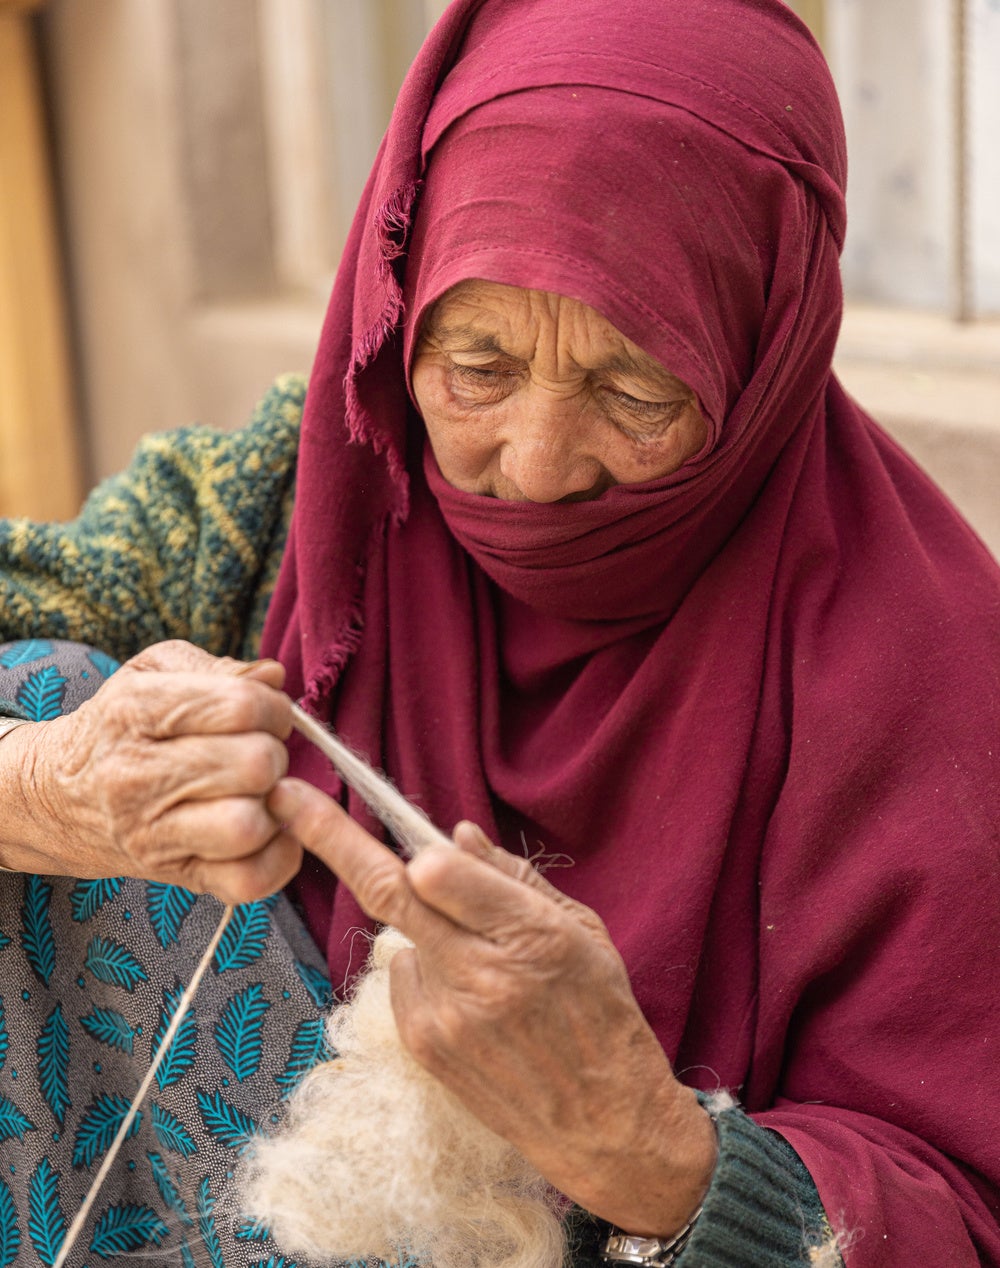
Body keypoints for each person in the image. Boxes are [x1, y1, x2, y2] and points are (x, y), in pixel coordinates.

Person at [0, 0, 998, 1264]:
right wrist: (44, 785)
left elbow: (966, 1206)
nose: (529, 465)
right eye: (476, 365)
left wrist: (643, 1147)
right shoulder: (311, 496)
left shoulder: (937, 684)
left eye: (634, 388)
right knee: (39, 693)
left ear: (768, 351)